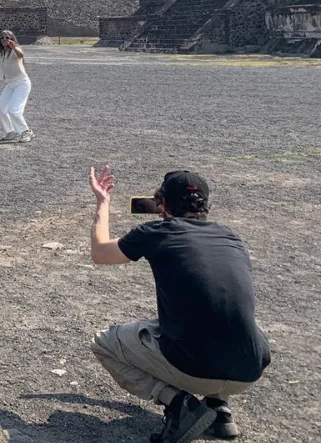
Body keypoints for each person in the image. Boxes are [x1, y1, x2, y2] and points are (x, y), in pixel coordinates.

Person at [87, 167, 271, 443]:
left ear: (162, 205)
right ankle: (219, 409)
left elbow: (101, 253)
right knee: (215, 316)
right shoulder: (231, 237)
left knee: (104, 343)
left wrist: (103, 203)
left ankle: (180, 405)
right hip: (250, 367)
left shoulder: (156, 232)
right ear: (206, 206)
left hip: (195, 366)